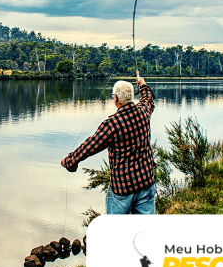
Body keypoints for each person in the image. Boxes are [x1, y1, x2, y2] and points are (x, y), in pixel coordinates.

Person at [61, 76, 156, 214]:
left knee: (114, 231)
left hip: (122, 189)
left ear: (116, 99)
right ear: (131, 97)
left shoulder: (112, 124)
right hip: (146, 183)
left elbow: (90, 145)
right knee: (143, 230)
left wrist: (70, 161)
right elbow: (148, 99)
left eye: (113, 96)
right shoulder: (143, 112)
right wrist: (143, 85)